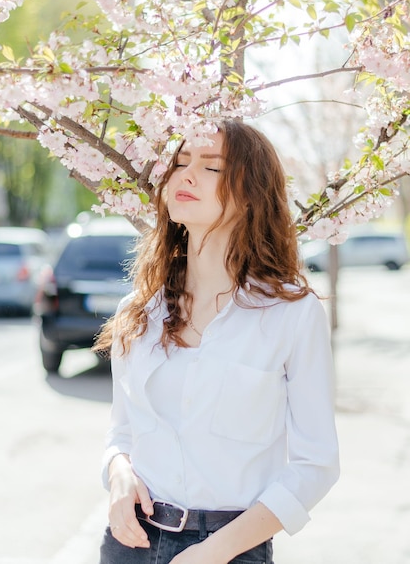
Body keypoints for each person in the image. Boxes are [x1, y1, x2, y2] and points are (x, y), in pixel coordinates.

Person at [95, 119, 340, 564]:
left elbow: (315, 466)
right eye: (180, 162)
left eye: (211, 168)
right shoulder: (138, 310)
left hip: (231, 549)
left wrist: (214, 552)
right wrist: (118, 476)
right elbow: (122, 431)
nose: (184, 175)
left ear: (251, 194)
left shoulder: (291, 313)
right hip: (130, 541)